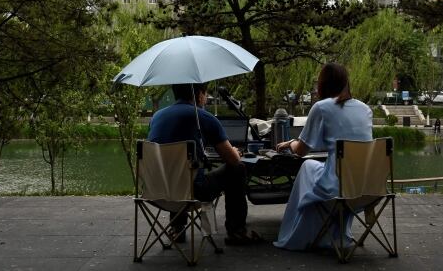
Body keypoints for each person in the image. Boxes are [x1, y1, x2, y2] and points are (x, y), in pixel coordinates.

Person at [274, 63, 372, 250]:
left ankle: (299, 233)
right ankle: (332, 232)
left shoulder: (321, 107)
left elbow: (301, 150)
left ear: (323, 84)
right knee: (321, 169)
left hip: (337, 188)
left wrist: (290, 143)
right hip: (366, 188)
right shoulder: (365, 109)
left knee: (307, 167)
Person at [148, 82, 259, 245]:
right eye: (206, 95)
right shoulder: (203, 116)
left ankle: (177, 229)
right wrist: (235, 151)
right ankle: (236, 232)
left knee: (177, 170)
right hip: (193, 192)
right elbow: (233, 159)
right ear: (200, 94)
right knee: (238, 169)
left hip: (155, 191)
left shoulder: (157, 116)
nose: (206, 98)